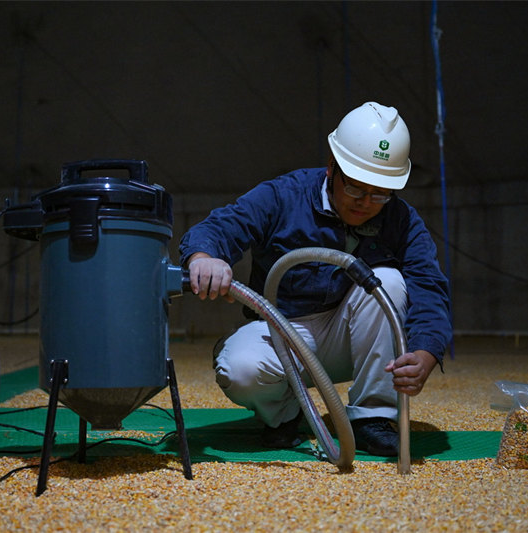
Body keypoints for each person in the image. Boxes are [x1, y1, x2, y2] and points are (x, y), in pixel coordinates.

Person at [179, 101, 452, 456]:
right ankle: (286, 415)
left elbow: (429, 288)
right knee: (239, 368)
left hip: (350, 336)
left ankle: (372, 417)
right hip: (284, 334)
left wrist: (426, 351)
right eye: (355, 187)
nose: (365, 202)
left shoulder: (401, 220)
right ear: (331, 168)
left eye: (380, 193)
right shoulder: (283, 196)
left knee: (388, 281)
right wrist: (205, 257)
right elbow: (221, 226)